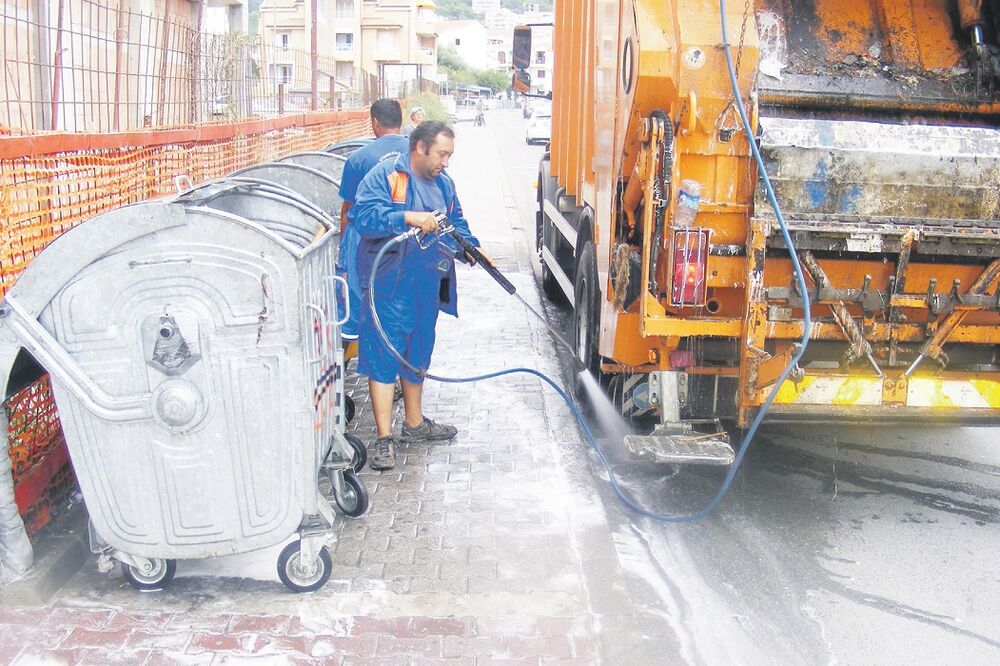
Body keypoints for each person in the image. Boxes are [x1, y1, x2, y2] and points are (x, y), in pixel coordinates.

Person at [352, 121, 480, 470]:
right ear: (420, 148)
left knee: (418, 352)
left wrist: (470, 247)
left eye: (449, 156)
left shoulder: (444, 183)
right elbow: (364, 218)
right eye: (441, 154)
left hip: (427, 283)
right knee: (384, 355)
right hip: (389, 284)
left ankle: (414, 424)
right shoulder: (388, 177)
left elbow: (456, 221)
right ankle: (383, 439)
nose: (446, 162)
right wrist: (408, 217)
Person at [336, 98, 408, 364]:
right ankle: (400, 365)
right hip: (406, 235)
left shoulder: (358, 158)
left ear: (375, 122)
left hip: (363, 238)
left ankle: (341, 366)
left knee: (354, 300)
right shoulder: (417, 152)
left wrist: (344, 248)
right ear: (401, 120)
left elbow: (348, 208)